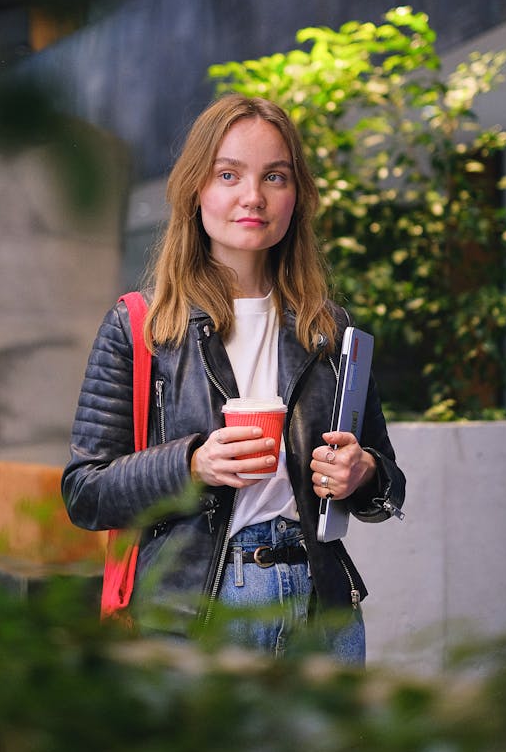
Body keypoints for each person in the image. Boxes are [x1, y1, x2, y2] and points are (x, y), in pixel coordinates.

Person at [62, 94, 405, 663]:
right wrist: (193, 465)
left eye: (275, 176)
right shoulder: (140, 326)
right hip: (196, 615)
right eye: (229, 174)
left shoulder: (329, 329)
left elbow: (386, 490)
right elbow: (85, 492)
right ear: (196, 190)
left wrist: (362, 472)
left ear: (297, 197)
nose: (254, 197)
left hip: (324, 612)